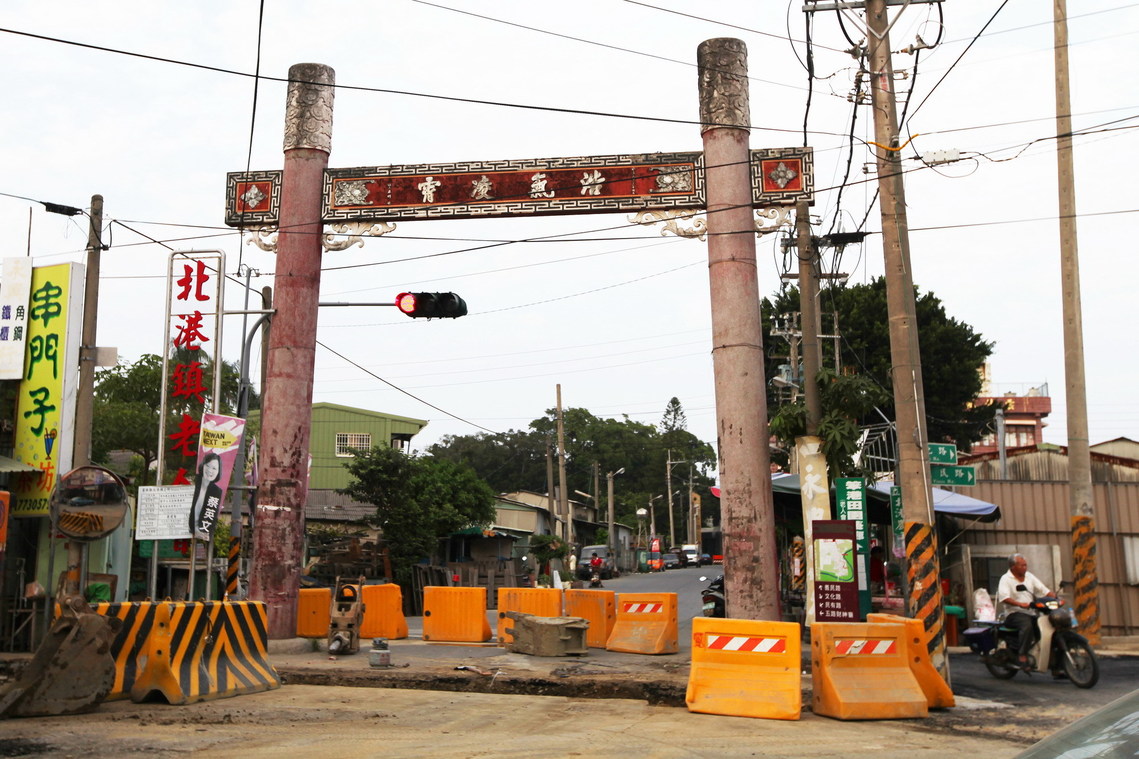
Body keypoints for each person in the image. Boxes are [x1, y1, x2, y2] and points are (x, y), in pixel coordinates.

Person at [997, 553, 1054, 669]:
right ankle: (1022, 655)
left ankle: (1051, 661)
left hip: (1032, 612)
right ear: (1013, 567)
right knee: (1026, 625)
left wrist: (1054, 596)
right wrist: (1020, 604)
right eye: (1022, 566)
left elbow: (1043, 590)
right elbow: (1004, 598)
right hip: (1014, 613)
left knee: (1049, 626)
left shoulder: (1029, 576)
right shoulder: (1005, 579)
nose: (1025, 568)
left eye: (1025, 565)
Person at [190, 452, 224, 542]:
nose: (210, 470)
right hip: (185, 531)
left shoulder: (216, 491)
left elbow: (211, 518)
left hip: (202, 535)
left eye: (214, 468)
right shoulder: (193, 482)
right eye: (208, 466)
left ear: (218, 472)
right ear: (203, 465)